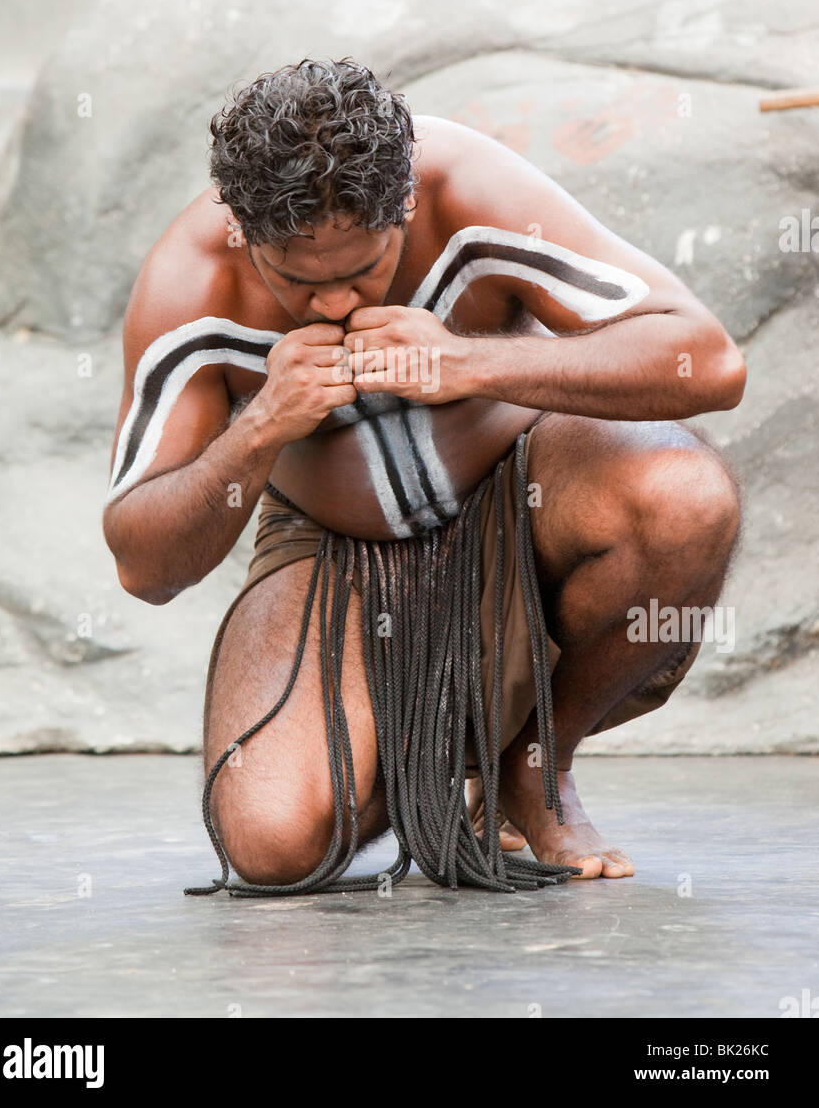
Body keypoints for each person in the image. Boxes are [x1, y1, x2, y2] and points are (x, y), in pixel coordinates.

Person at [103, 57, 745, 888]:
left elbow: (708, 361)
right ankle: (434, 761)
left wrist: (468, 366)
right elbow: (141, 564)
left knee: (684, 497)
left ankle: (534, 762)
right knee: (270, 844)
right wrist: (260, 428)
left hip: (524, 490)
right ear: (244, 228)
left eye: (362, 269)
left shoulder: (468, 187)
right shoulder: (190, 286)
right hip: (331, 552)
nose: (333, 304)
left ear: (403, 203)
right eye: (298, 279)